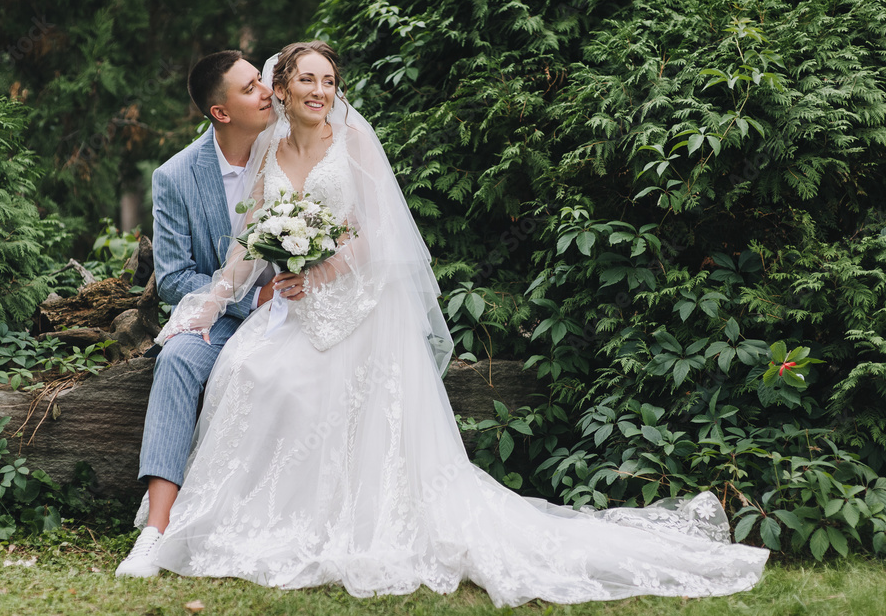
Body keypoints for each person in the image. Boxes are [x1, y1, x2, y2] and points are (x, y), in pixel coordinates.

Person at [124, 41, 769, 607]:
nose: (320, 91)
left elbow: (381, 239)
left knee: (298, 378)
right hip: (293, 307)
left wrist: (317, 271)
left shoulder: (351, 140)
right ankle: (208, 523)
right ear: (284, 88)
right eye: (306, 81)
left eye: (329, 81)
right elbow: (248, 244)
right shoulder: (268, 149)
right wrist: (210, 303)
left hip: (357, 303)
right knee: (246, 368)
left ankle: (352, 521)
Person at [115, 51, 275, 578]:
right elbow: (176, 276)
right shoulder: (175, 176)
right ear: (221, 112)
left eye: (262, 80)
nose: (267, 91)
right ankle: (154, 533)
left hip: (298, 307)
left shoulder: (291, 151)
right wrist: (249, 299)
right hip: (218, 314)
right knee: (178, 360)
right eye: (252, 87)